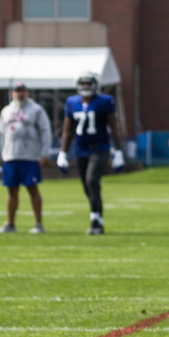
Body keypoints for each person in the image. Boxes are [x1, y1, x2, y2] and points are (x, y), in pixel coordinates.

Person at [57, 72, 125, 235]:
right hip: (80, 149)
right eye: (83, 84)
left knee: (92, 180)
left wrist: (118, 152)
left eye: (89, 84)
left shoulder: (104, 101)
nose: (86, 87)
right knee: (87, 185)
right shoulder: (72, 102)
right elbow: (67, 130)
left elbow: (114, 128)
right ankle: (97, 215)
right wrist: (62, 153)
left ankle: (96, 221)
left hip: (99, 147)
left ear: (95, 85)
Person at [0, 83, 52, 234]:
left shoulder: (36, 110)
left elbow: (45, 131)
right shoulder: (6, 111)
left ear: (27, 93)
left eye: (22, 91)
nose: (20, 94)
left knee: (33, 189)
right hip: (10, 155)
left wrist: (45, 153)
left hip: (29, 156)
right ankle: (10, 224)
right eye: (17, 91)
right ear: (12, 93)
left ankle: (39, 224)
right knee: (11, 190)